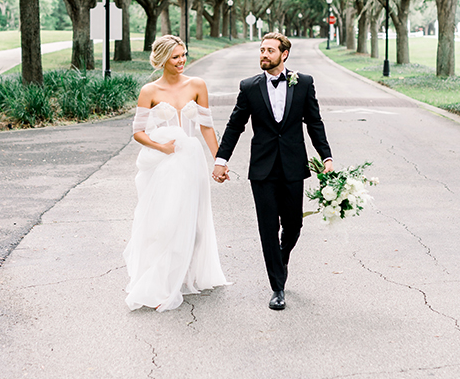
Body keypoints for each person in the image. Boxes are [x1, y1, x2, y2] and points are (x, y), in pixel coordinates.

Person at [213, 32, 333, 311]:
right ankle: (277, 288)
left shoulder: (303, 83)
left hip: (293, 166)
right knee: (268, 228)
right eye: (261, 50)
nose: (264, 55)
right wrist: (221, 159)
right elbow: (235, 125)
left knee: (293, 226)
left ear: (284, 54)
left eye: (269, 50)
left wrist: (326, 156)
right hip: (262, 169)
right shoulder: (249, 87)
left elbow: (314, 122)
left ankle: (281, 258)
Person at [124, 35, 228, 312]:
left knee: (193, 221)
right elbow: (137, 132)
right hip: (164, 163)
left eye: (183, 55)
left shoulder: (197, 85)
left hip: (192, 160)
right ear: (161, 60)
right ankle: (159, 282)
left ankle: (186, 274)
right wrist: (161, 147)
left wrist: (220, 160)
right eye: (175, 57)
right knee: (165, 219)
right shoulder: (149, 91)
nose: (181, 61)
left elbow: (206, 127)